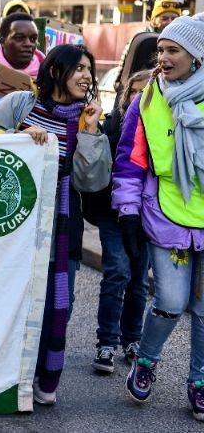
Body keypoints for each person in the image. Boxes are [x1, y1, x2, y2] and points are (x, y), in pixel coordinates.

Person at [0, 43, 111, 405]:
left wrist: (91, 130)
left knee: (57, 304)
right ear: (55, 72)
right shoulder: (20, 104)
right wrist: (20, 140)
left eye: (89, 69)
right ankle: (5, 376)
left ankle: (42, 375)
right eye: (79, 68)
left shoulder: (88, 118)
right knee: (11, 300)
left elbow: (91, 181)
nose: (87, 76)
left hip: (63, 226)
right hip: (14, 225)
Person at [114, 13, 204, 419]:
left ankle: (199, 381)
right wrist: (128, 212)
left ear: (197, 56)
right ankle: (147, 360)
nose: (162, 58)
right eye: (161, 50)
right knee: (169, 300)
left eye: (172, 51)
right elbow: (130, 162)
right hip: (166, 216)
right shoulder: (147, 99)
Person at [87, 69, 152, 374]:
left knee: (139, 282)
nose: (138, 97)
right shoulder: (110, 127)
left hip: (149, 219)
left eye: (145, 92)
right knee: (116, 273)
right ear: (125, 96)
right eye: (133, 91)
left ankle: (132, 340)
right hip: (113, 216)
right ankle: (107, 342)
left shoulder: (161, 127)